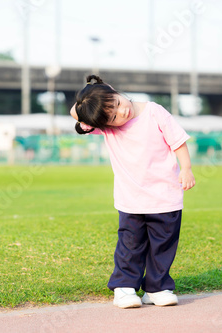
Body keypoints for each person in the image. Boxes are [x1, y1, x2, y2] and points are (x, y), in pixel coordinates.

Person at [70, 74, 195, 308]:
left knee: (163, 246)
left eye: (117, 103)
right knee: (130, 245)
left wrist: (186, 168)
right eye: (114, 117)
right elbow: (75, 113)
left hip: (165, 196)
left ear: (115, 91)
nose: (122, 113)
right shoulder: (106, 126)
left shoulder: (154, 112)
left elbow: (177, 141)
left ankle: (157, 288)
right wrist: (91, 101)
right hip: (131, 199)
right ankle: (125, 288)